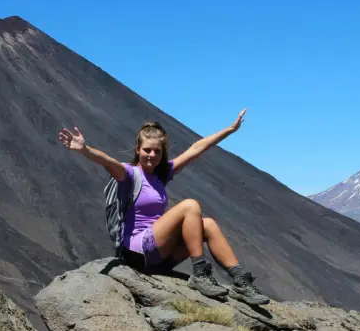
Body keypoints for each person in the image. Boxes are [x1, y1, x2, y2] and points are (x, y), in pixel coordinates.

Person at [58, 109, 269, 305]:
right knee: (189, 206)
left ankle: (241, 281)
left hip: (158, 256)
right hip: (136, 252)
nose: (151, 155)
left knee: (209, 224)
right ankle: (200, 274)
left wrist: (230, 130)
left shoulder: (162, 174)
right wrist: (84, 149)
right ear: (137, 150)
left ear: (162, 153)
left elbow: (196, 149)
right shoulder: (130, 174)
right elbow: (108, 161)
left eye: (157, 151)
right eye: (147, 150)